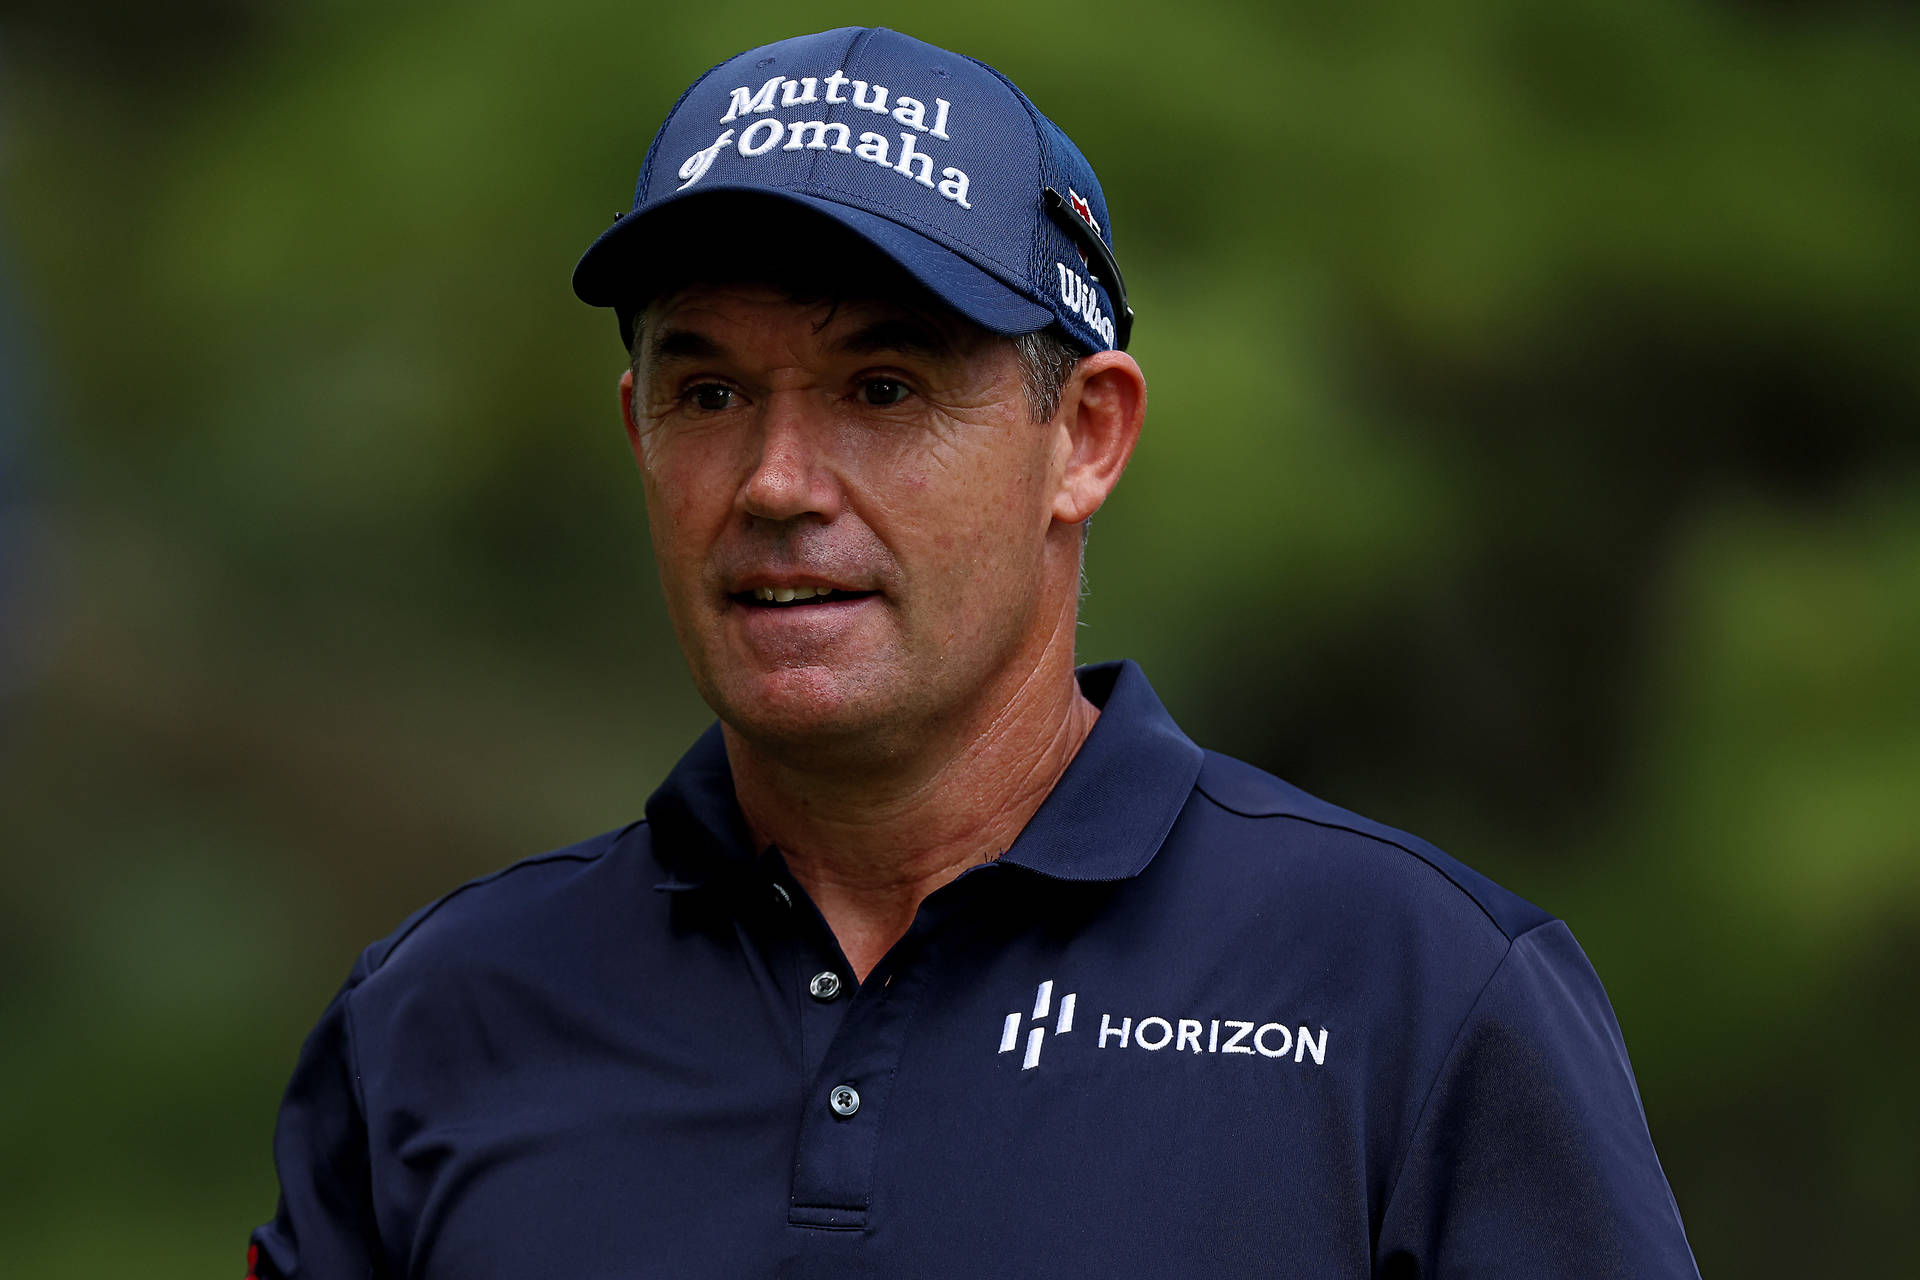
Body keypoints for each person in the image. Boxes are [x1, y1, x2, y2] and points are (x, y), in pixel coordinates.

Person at [250, 26, 1699, 1278]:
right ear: (639, 435)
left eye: (883, 387)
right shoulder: (439, 1022)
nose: (776, 481)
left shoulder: (1417, 994)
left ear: (1085, 438)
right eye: (709, 393)